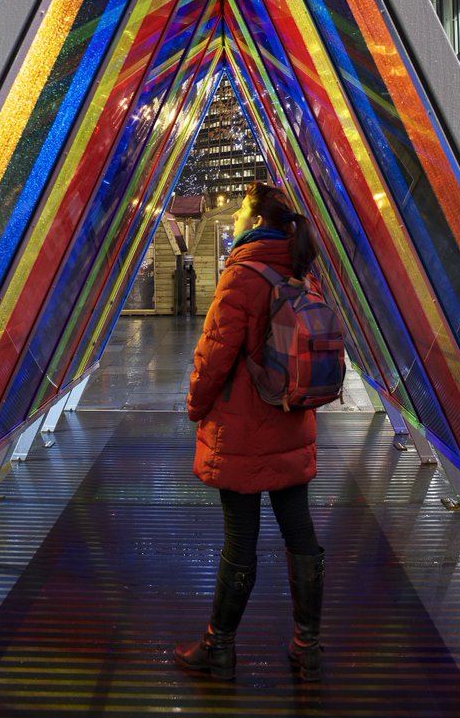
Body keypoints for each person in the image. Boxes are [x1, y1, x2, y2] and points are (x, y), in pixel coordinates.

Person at [174, 181, 325, 682]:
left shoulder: (241, 275)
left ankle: (219, 648)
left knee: (240, 538)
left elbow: (215, 353)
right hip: (291, 417)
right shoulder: (303, 272)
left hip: (241, 427)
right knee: (299, 530)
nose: (237, 218)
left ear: (257, 221)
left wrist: (196, 405)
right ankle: (308, 646)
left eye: (242, 211)